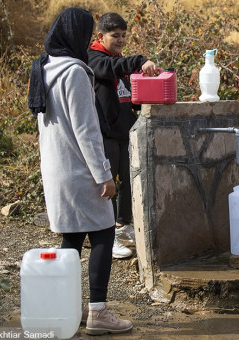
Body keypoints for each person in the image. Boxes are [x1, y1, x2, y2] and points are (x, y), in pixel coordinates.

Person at [28, 7, 134, 334]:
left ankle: (68, 307)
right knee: (103, 231)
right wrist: (104, 174)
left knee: (72, 235)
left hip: (56, 168)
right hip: (79, 169)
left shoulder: (45, 67)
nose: (87, 41)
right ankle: (99, 312)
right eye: (86, 34)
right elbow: (86, 130)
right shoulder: (74, 72)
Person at [87, 12, 158, 259]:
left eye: (124, 36)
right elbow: (109, 69)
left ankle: (122, 225)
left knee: (130, 181)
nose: (120, 40)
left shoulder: (118, 61)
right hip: (105, 135)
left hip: (126, 134)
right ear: (100, 36)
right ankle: (106, 237)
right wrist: (139, 60)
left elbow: (127, 96)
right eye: (115, 36)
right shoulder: (94, 59)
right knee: (108, 187)